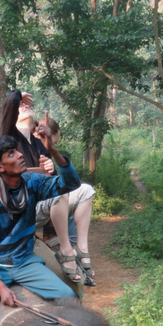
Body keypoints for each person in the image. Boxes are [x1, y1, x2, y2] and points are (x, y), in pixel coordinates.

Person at [0, 129, 81, 326]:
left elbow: (71, 183)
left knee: (68, 296)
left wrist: (52, 150)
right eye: (11, 154)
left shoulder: (32, 183)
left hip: (24, 261)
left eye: (17, 150)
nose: (20, 155)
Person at [34, 116, 96, 286]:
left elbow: (65, 182)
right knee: (59, 193)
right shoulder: (22, 145)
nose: (48, 145)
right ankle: (66, 249)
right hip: (28, 204)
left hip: (49, 204)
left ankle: (82, 249)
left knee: (86, 190)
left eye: (52, 143)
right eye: (49, 141)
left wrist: (50, 167)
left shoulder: (47, 153)